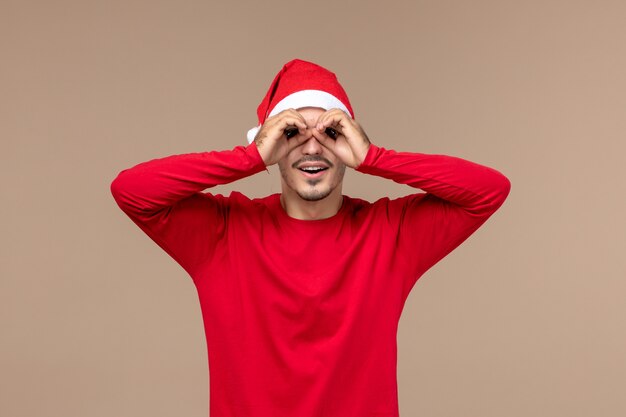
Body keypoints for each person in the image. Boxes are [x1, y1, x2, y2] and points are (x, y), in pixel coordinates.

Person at [110, 58, 511, 417]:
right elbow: (131, 190)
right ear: (271, 143)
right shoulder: (224, 232)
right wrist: (248, 157)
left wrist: (376, 157)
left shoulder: (389, 234)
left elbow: (489, 189)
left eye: (331, 133)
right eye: (293, 134)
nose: (313, 149)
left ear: (348, 142)